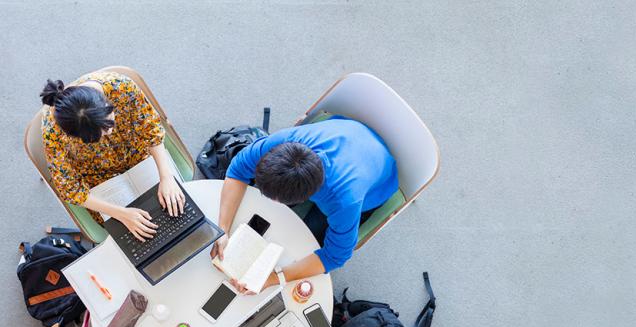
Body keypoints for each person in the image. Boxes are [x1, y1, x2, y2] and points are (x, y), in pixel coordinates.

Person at [211, 117, 398, 290]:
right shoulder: (283, 142)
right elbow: (237, 169)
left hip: (378, 181)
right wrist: (223, 230)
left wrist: (273, 279)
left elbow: (335, 256)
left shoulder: (344, 201)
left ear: (304, 198)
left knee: (309, 239)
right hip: (349, 131)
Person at [40, 71, 186, 242]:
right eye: (98, 135)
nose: (109, 132)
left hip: (139, 155)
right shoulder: (52, 129)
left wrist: (166, 177)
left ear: (107, 103)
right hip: (98, 177)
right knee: (137, 237)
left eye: (109, 123)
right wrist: (121, 213)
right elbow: (70, 189)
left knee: (175, 211)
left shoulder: (121, 87)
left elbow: (151, 130)